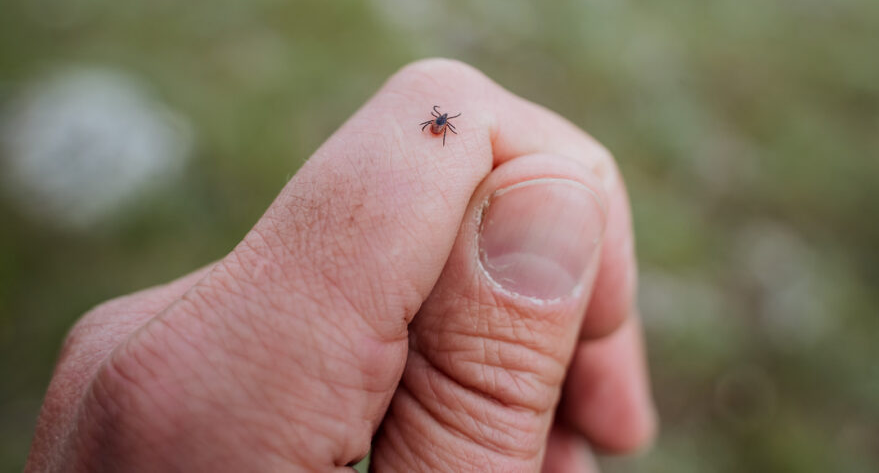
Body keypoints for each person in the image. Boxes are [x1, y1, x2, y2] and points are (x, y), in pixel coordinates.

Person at [25, 59, 657, 472]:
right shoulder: (440, 123)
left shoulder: (442, 122)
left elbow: (441, 121)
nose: (439, 122)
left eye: (440, 122)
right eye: (438, 122)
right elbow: (440, 121)